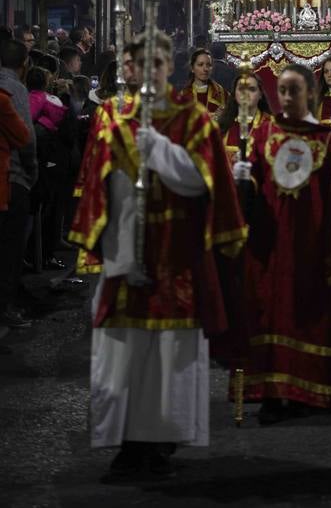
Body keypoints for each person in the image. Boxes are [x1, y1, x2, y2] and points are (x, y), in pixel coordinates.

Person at [69, 31, 247, 477]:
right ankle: (129, 442)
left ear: (170, 67)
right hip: (125, 249)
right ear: (127, 68)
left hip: (176, 254)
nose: (146, 72)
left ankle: (160, 438)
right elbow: (99, 186)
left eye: (156, 64)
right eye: (137, 64)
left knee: (170, 356)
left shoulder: (195, 120)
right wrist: (118, 254)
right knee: (122, 358)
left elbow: (203, 184)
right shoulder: (111, 116)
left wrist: (161, 150)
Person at [232, 63, 331, 424]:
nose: (287, 97)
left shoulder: (325, 139)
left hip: (310, 243)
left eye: (294, 90)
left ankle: (308, 389)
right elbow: (254, 183)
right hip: (271, 241)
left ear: (309, 94)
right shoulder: (263, 133)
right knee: (271, 312)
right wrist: (243, 183)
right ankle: (273, 392)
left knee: (306, 314)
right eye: (282, 91)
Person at [0, 40, 38, 329]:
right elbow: (26, 138)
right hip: (12, 180)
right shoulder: (14, 92)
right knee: (10, 251)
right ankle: (7, 308)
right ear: (24, 65)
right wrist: (32, 170)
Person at [219, 71, 271, 165]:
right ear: (234, 94)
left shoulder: (272, 126)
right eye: (241, 88)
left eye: (251, 89)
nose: (246, 93)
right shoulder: (221, 127)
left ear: (260, 95)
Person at [182, 48, 228, 117]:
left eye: (208, 65)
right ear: (192, 68)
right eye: (200, 65)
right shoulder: (184, 95)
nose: (205, 69)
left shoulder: (222, 94)